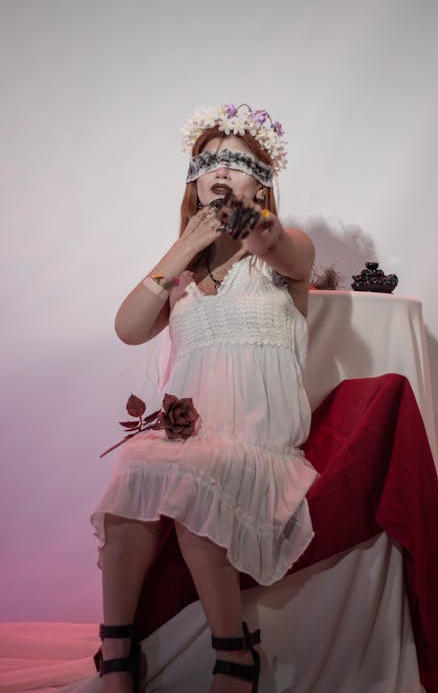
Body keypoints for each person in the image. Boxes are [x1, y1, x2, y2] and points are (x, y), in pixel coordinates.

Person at [91, 103, 319, 693]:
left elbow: (277, 242)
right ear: (192, 180)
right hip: (189, 441)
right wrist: (182, 247)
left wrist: (247, 220)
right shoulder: (183, 278)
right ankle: (115, 653)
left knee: (197, 476)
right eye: (207, 161)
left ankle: (234, 654)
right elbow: (128, 328)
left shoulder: (283, 255)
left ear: (262, 181)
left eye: (236, 162)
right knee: (133, 471)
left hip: (258, 445)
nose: (219, 169)